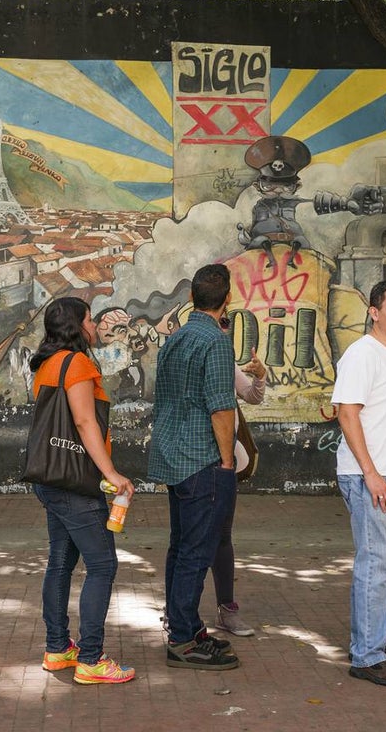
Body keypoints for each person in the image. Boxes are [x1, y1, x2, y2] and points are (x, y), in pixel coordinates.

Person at [29, 297, 136, 685]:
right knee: (103, 565)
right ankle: (91, 658)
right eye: (90, 320)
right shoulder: (76, 363)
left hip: (52, 478)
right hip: (76, 482)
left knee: (60, 562)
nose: (94, 326)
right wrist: (111, 472)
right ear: (76, 325)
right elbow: (84, 421)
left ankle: (58, 648)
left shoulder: (47, 363)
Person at [148, 263, 240, 670]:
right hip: (201, 457)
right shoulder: (216, 341)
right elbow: (221, 407)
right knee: (196, 551)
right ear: (227, 298)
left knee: (181, 545)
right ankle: (183, 640)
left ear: (191, 297)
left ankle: (183, 624)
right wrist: (227, 461)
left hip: (172, 454)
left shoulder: (176, 338)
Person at [332, 280, 386, 686]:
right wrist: (371, 474)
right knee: (376, 566)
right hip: (371, 476)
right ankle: (368, 656)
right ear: (374, 312)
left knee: (382, 564)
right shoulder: (362, 354)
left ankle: (373, 640)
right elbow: (347, 413)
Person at [208, 346, 267, 638]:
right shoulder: (185, 355)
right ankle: (177, 612)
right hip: (192, 462)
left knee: (222, 537)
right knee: (186, 539)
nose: (222, 330)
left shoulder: (224, 359)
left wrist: (260, 375)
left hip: (225, 462)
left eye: (224, 325)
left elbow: (253, 396)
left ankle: (226, 609)